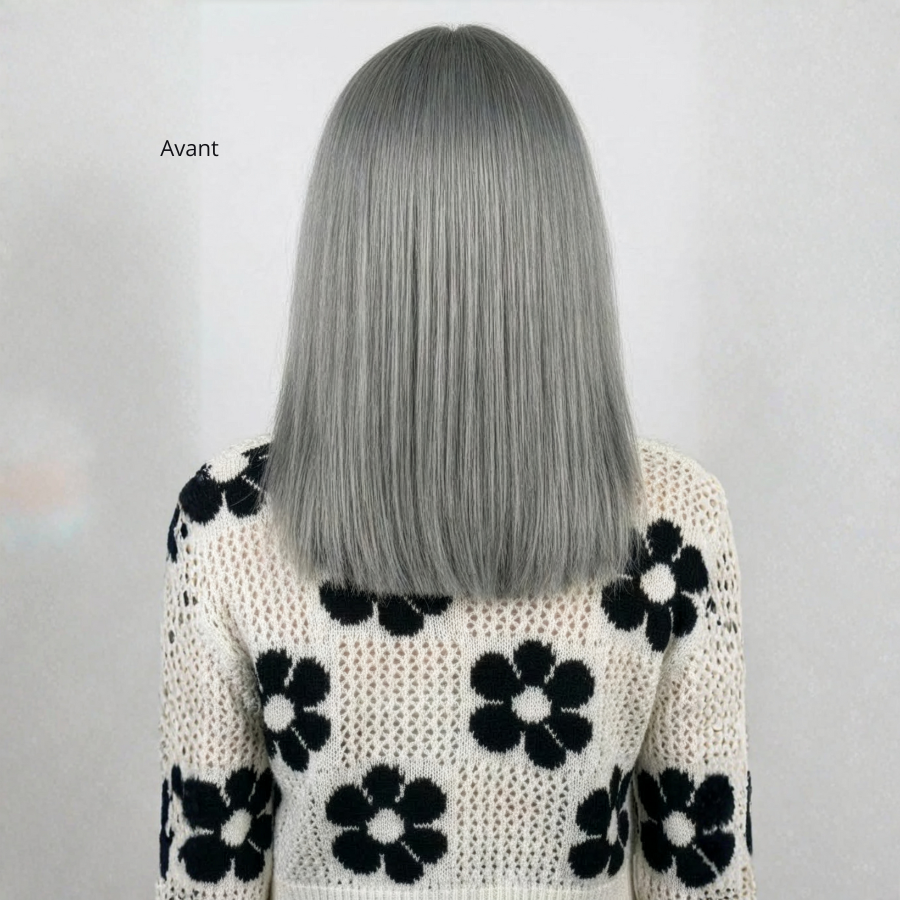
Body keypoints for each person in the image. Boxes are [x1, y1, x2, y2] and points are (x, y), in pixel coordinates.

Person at [156, 23, 756, 899]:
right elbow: (704, 877)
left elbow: (206, 878)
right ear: (566, 239)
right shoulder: (675, 523)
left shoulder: (226, 522)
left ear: (342, 242)